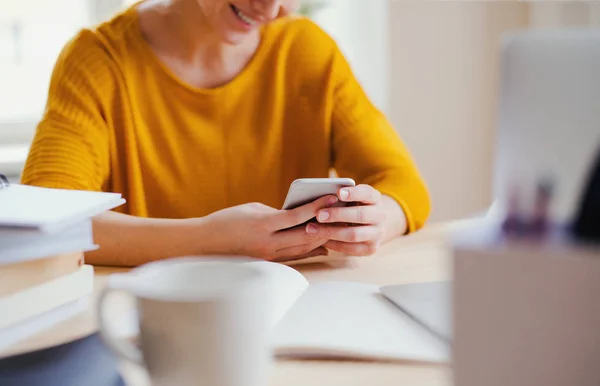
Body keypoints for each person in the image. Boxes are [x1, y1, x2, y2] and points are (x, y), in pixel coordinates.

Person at [21, 0, 431, 267]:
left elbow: (402, 185)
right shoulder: (98, 62)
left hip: (292, 315)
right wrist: (207, 240)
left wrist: (375, 220)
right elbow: (45, 220)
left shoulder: (308, 52)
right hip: (148, 322)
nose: (273, 9)